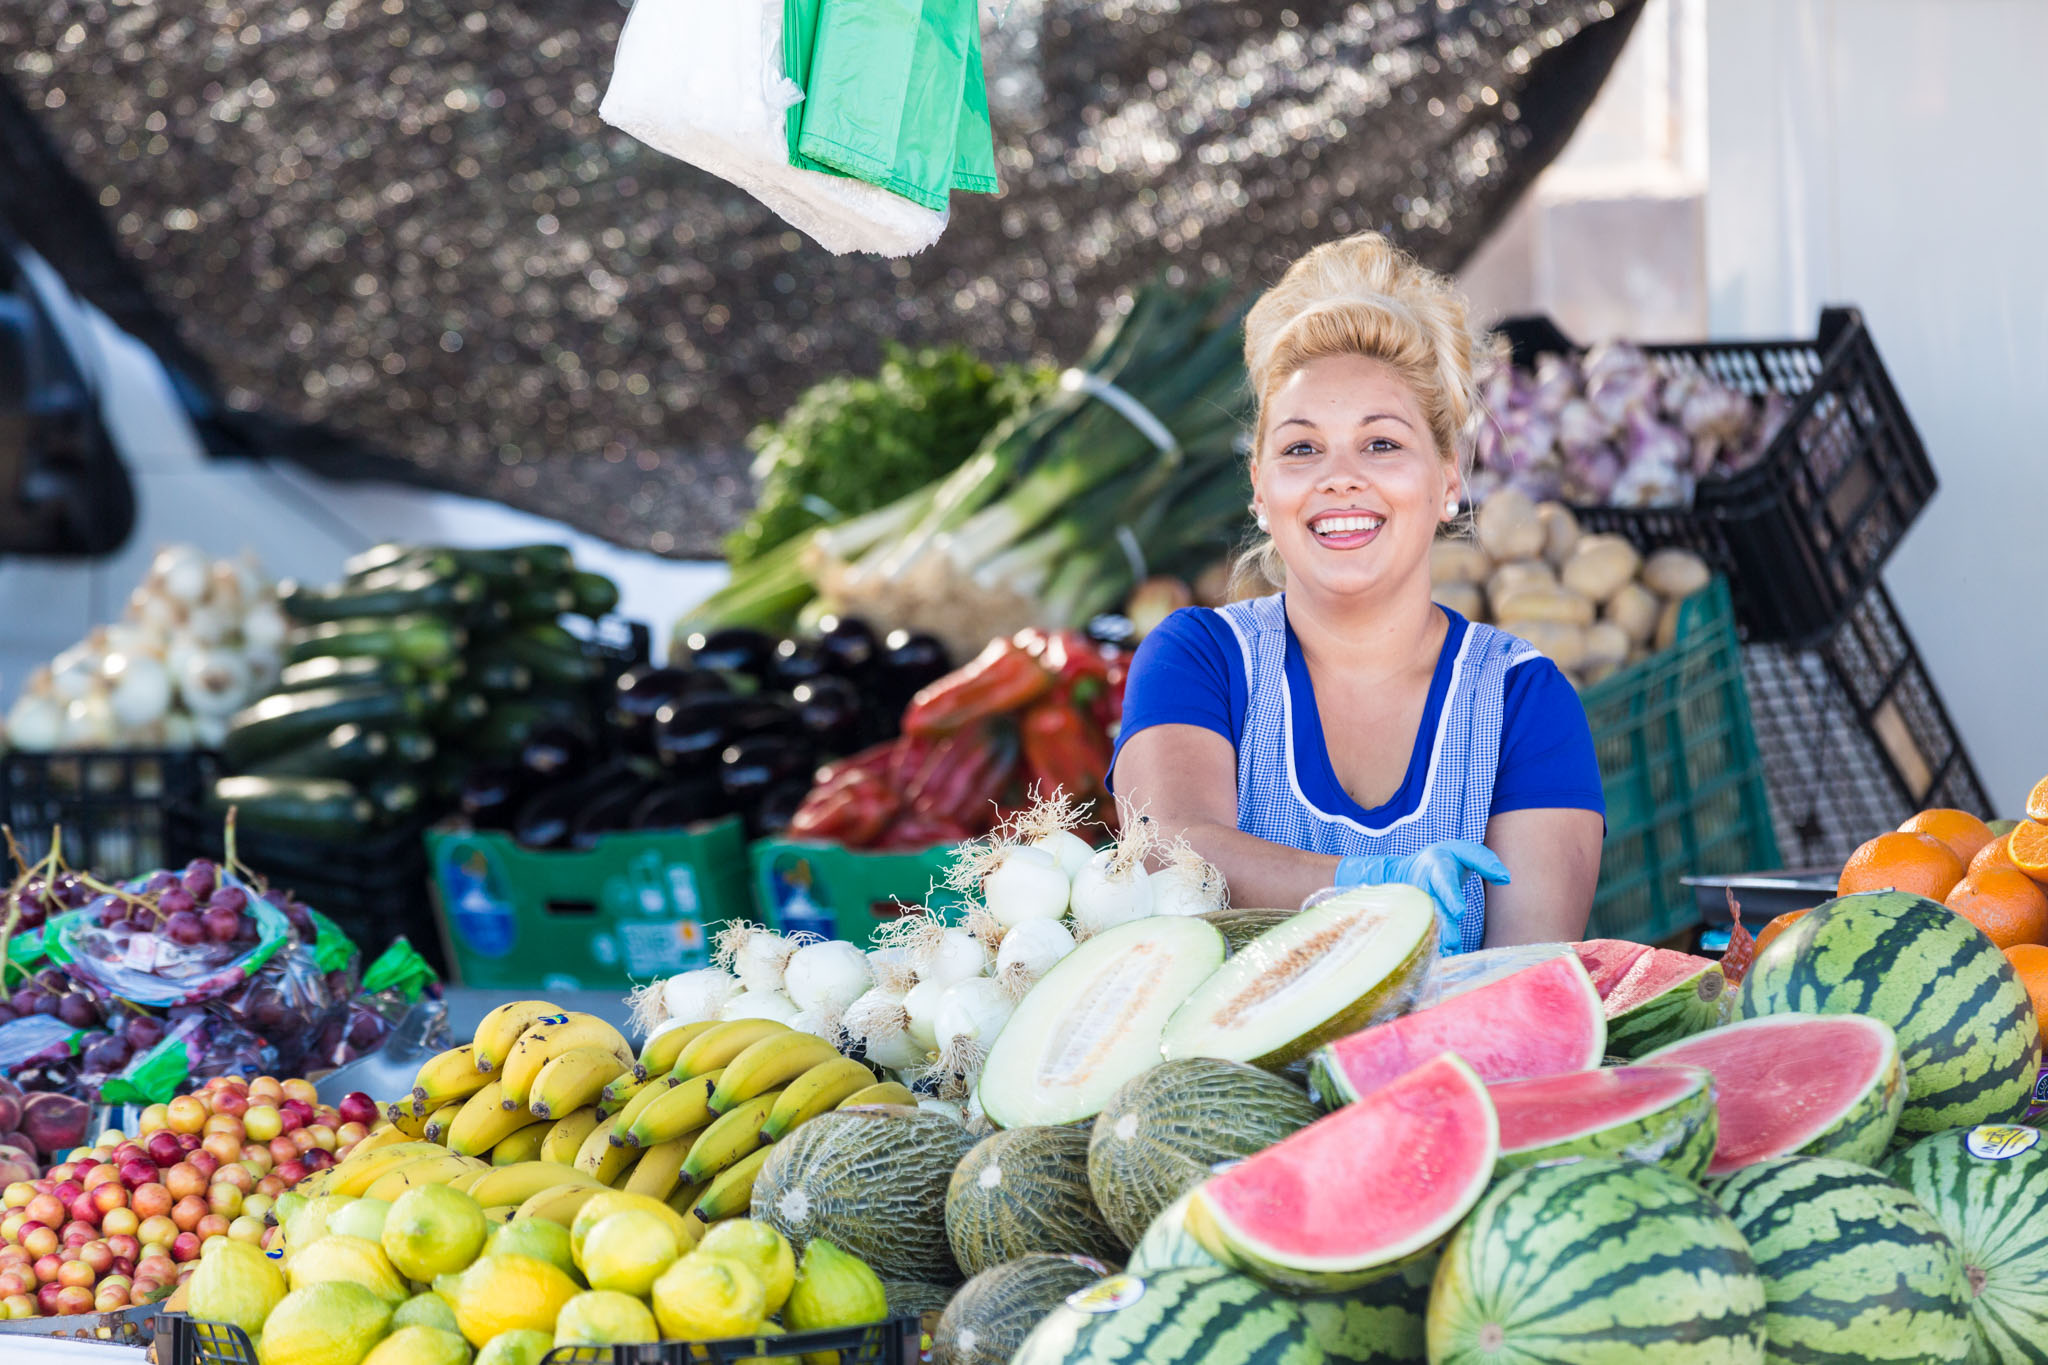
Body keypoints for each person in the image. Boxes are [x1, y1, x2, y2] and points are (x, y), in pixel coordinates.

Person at [1110, 233, 1604, 952]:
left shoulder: (1522, 702)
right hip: (1219, 1070)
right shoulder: (1200, 660)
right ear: (1259, 488)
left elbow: (1523, 985)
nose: (1339, 476)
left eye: (1381, 443)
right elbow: (1168, 856)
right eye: (1302, 448)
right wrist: (1369, 882)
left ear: (1447, 480)